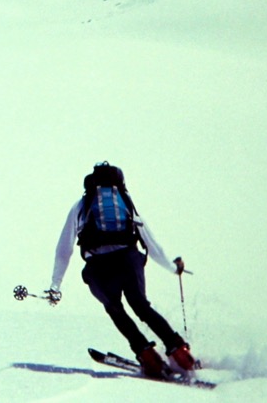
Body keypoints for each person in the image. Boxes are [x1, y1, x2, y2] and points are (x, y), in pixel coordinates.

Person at [48, 162, 195, 378]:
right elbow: (151, 244)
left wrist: (55, 284)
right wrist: (174, 268)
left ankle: (147, 355)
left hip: (98, 268)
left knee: (115, 309)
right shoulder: (125, 203)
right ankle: (180, 352)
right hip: (128, 261)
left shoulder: (81, 205)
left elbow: (64, 248)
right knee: (141, 307)